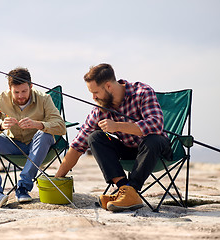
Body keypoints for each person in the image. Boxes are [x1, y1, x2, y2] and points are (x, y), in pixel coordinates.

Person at [55, 63, 172, 212]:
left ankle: (132, 191)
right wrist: (57, 179)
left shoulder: (142, 92)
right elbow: (79, 144)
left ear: (109, 86)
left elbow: (156, 124)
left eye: (95, 92)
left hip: (156, 150)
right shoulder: (100, 108)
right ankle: (125, 188)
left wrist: (117, 126)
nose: (93, 97)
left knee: (152, 139)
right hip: (129, 150)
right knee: (95, 137)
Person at [0, 67, 66, 208]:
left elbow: (60, 126)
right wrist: (1, 126)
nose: (20, 96)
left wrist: (38, 124)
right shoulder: (1, 99)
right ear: (10, 88)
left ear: (31, 86)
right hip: (13, 145)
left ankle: (23, 187)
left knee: (45, 135)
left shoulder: (44, 99)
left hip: (38, 146)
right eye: (16, 92)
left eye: (24, 91)